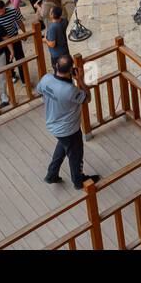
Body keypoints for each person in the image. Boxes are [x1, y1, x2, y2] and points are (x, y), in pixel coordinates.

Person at [37, 54, 100, 190]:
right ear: (71, 69)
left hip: (53, 125)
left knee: (63, 146)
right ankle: (78, 181)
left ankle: (51, 174)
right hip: (69, 129)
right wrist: (80, 80)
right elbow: (87, 98)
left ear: (56, 66)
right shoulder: (69, 90)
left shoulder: (46, 79)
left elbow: (39, 91)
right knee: (75, 155)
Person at [0, 0, 26, 81]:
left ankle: (24, 78)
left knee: (20, 58)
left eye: (3, 11)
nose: (1, 13)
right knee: (7, 61)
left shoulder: (13, 11)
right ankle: (12, 75)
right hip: (2, 42)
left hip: (14, 38)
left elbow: (20, 22)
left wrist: (24, 33)